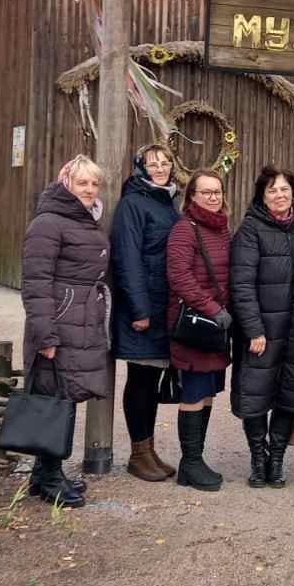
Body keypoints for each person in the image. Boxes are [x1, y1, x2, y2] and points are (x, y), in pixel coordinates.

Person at [19, 154, 112, 508]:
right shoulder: (49, 223)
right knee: (52, 396)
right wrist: (46, 335)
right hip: (59, 321)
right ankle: (50, 477)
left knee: (62, 395)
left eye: (94, 184)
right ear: (66, 184)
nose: (89, 189)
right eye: (82, 183)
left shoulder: (85, 220)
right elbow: (36, 282)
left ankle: (45, 474)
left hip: (80, 320)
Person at [229, 165, 294, 489]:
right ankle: (258, 457)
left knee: (289, 395)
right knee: (256, 394)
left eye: (284, 189)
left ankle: (277, 459)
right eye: (272, 190)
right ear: (262, 196)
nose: (279, 195)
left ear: (293, 193)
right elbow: (241, 284)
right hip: (262, 332)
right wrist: (254, 329)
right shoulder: (250, 230)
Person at [110, 143, 180, 482]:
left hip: (162, 306)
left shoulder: (167, 203)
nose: (161, 168)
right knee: (140, 380)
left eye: (165, 163)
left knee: (151, 381)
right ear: (140, 167)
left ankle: (148, 449)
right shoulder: (133, 203)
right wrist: (139, 308)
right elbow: (128, 258)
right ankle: (138, 454)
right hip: (144, 308)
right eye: (153, 163)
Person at [166, 169, 232, 491]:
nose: (212, 197)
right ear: (191, 195)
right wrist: (213, 310)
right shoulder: (184, 230)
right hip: (195, 324)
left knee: (206, 393)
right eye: (205, 192)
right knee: (193, 392)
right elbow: (179, 277)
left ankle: (192, 462)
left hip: (216, 326)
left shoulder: (222, 230)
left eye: (217, 191)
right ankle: (191, 462)